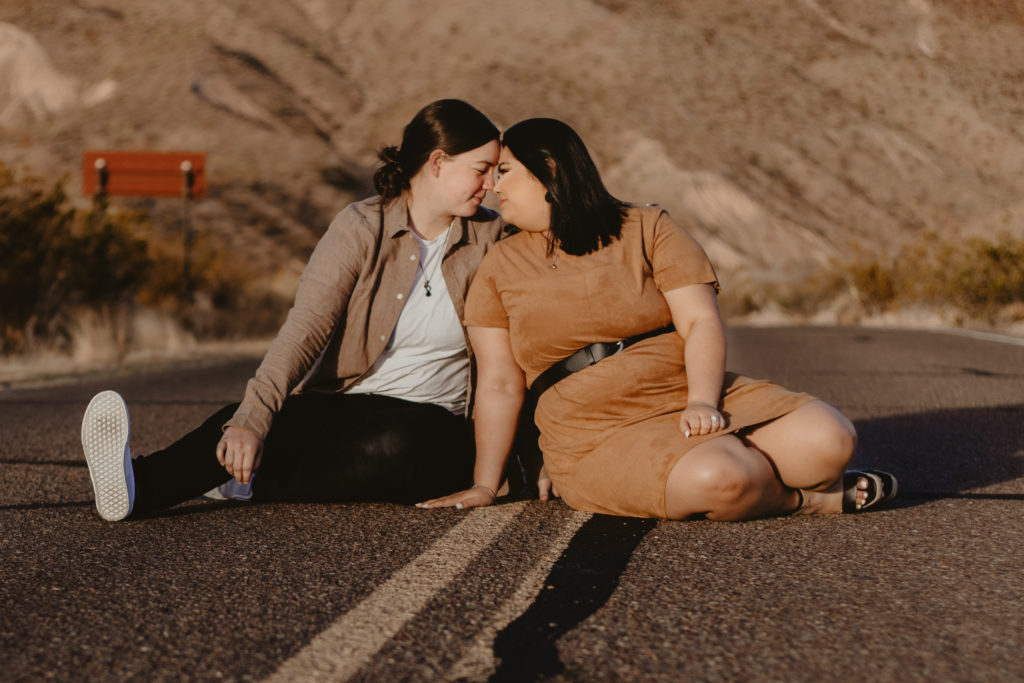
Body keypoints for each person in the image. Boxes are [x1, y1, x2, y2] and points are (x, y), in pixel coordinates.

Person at [419, 118, 897, 520]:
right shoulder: (498, 267)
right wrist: (486, 483)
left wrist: (703, 401)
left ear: (548, 170)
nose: (494, 186)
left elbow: (699, 324)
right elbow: (501, 382)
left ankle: (749, 468)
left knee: (831, 439)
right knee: (725, 478)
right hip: (592, 428)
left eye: (504, 171)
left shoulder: (647, 227)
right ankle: (807, 499)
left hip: (681, 392)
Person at [80, 99, 511, 521]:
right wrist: (251, 421)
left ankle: (240, 480)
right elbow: (304, 330)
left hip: (434, 424)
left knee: (403, 444)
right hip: (349, 406)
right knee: (247, 421)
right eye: (481, 169)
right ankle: (136, 485)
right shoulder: (361, 228)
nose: (491, 184)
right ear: (437, 162)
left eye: (494, 171)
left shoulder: (491, 236)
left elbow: (531, 346)